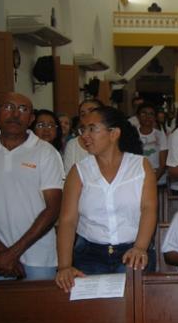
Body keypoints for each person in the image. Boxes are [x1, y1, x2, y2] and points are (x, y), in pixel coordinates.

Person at [55, 107, 157, 292]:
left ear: (114, 133)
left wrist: (140, 247)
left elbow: (149, 209)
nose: (85, 135)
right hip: (89, 254)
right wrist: (64, 266)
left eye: (92, 129)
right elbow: (68, 221)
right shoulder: (79, 171)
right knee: (94, 314)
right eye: (82, 129)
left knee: (130, 312)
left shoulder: (140, 166)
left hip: (133, 251)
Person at [0, 93, 64, 281]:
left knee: (40, 310)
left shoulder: (46, 152)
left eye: (23, 109)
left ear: (31, 118)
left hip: (39, 257)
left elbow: (53, 209)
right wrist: (3, 253)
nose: (16, 114)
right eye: (9, 107)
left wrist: (13, 253)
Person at [63, 98, 104, 174]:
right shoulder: (72, 145)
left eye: (91, 111)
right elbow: (68, 176)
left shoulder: (110, 140)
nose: (87, 116)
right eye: (83, 114)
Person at [136, 102, 168, 185]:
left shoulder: (160, 135)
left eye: (151, 114)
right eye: (144, 113)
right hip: (137, 180)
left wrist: (151, 181)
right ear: (138, 116)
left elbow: (163, 164)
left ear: (155, 117)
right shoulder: (132, 134)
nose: (147, 117)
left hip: (158, 180)